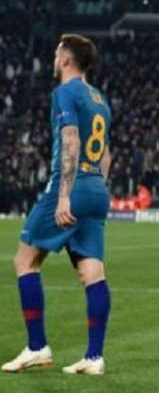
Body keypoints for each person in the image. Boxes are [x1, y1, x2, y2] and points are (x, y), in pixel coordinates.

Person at [3, 34, 112, 375]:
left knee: (25, 261)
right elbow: (106, 155)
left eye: (55, 54)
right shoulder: (100, 99)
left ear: (65, 59)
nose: (53, 60)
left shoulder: (65, 92)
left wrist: (65, 195)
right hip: (96, 188)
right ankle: (94, 357)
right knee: (92, 272)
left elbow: (71, 140)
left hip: (71, 187)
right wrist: (93, 188)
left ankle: (37, 347)